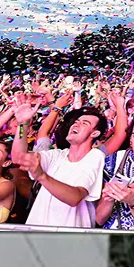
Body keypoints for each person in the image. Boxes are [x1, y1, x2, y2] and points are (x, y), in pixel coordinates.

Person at [10, 94, 107, 228]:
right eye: (76, 121)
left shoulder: (95, 156)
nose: (76, 124)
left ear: (94, 134)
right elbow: (19, 157)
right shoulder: (57, 155)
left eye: (85, 123)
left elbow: (75, 197)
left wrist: (42, 176)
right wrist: (22, 124)